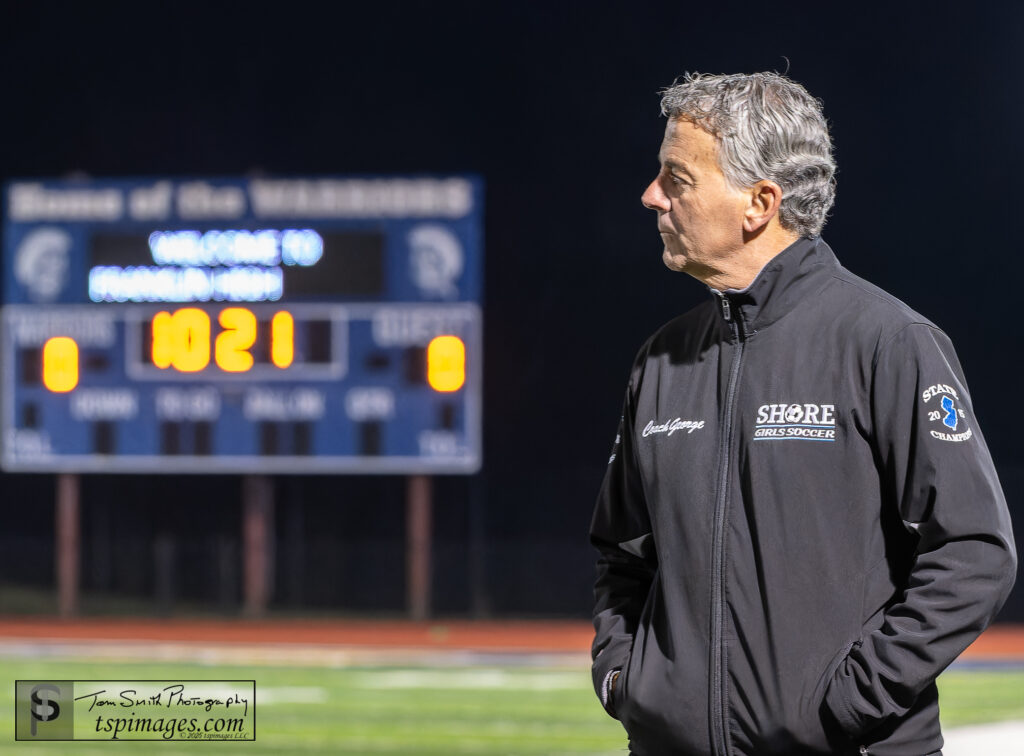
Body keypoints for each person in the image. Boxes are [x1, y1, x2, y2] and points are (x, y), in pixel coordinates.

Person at [589, 72, 1017, 756]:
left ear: (759, 202)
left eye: (676, 178)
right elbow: (622, 552)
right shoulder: (660, 360)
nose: (651, 196)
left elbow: (974, 552)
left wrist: (847, 703)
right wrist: (624, 678)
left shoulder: (888, 341)